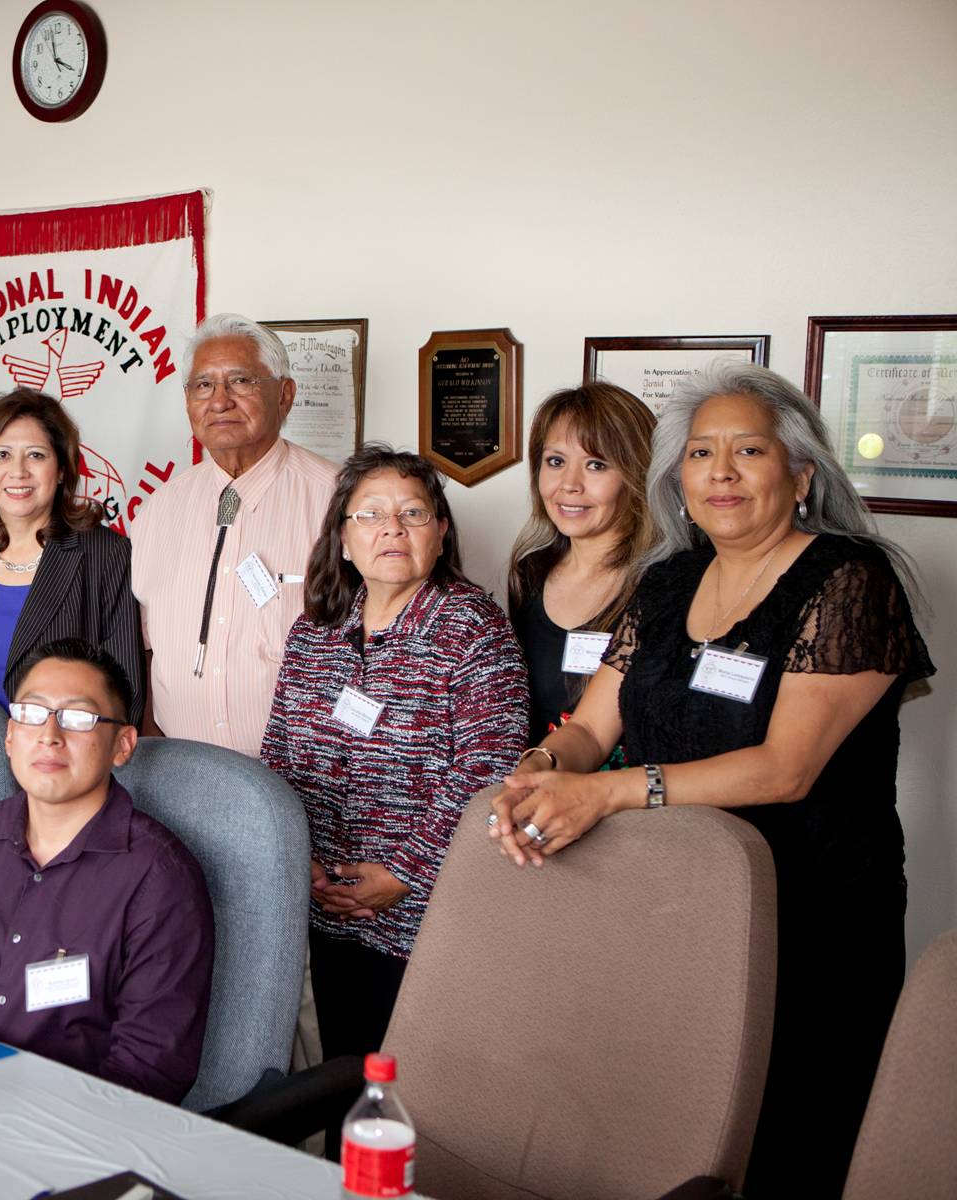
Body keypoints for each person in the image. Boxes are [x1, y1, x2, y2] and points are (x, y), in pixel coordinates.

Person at [489, 362, 934, 1197]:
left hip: (814, 919)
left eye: (747, 451)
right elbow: (592, 724)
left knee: (790, 1142)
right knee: (673, 1140)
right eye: (699, 454)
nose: (720, 473)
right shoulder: (666, 580)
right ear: (676, 477)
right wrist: (544, 769)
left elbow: (786, 767)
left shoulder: (850, 581)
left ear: (801, 474)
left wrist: (612, 791)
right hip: (676, 911)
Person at [262, 445, 527, 1077]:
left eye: (413, 513)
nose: (392, 528)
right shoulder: (316, 629)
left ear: (440, 533)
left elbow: (486, 775)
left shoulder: (473, 627)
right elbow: (279, 754)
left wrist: (401, 876)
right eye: (371, 514)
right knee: (333, 1082)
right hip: (320, 903)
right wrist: (304, 861)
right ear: (344, 539)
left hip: (422, 916)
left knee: (407, 1093)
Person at [0, 639, 214, 1105]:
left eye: (78, 718)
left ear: (122, 745)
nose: (49, 735)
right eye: (31, 713)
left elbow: (149, 1072)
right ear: (8, 736)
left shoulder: (160, 879)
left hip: (68, 1132)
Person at [130, 313, 339, 754]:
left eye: (241, 381)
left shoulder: (340, 503)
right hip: (184, 771)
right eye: (202, 385)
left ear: (284, 395)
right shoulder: (157, 511)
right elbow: (145, 648)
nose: (220, 400)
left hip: (308, 776)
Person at [0, 389, 144, 720]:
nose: (17, 472)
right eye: (2, 455)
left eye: (36, 455)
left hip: (61, 759)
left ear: (62, 468)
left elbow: (124, 690)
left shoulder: (105, 555)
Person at [506, 383, 656, 748]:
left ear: (637, 474)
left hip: (634, 794)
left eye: (596, 465)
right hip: (542, 782)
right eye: (555, 461)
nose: (569, 485)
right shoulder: (530, 572)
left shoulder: (662, 583)